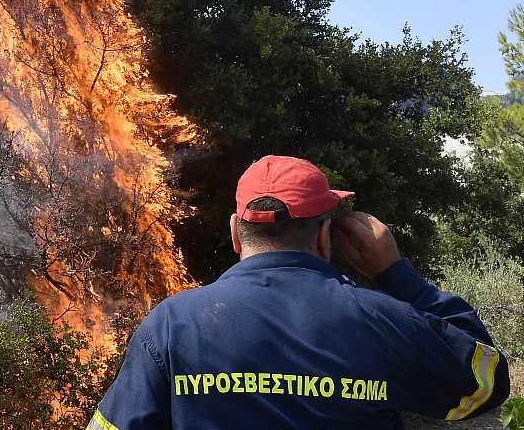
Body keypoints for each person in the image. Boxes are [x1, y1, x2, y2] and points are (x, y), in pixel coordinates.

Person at [89, 155, 511, 430]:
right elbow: (485, 382)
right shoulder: (383, 319)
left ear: (236, 233)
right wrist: (396, 274)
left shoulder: (170, 324)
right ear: (325, 236)